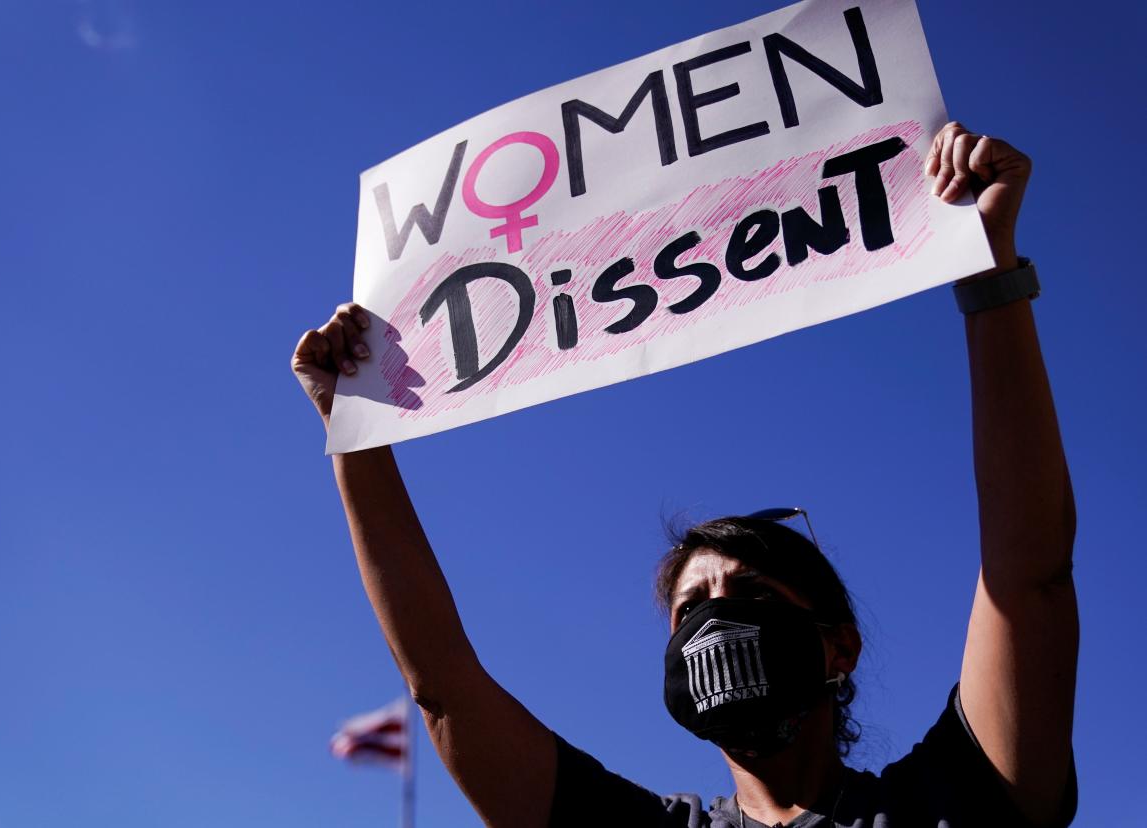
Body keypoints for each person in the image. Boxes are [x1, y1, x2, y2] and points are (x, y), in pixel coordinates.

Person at [291, 122, 1078, 827]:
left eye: (755, 595)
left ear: (839, 648)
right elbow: (442, 686)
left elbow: (1029, 574)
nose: (716, 618)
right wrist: (354, 431)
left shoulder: (950, 801)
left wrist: (990, 274)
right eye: (691, 605)